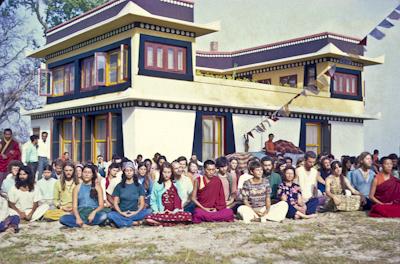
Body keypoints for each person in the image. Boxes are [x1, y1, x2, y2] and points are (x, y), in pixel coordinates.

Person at [107, 162, 151, 228]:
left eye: (131, 170)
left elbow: (142, 203)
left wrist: (135, 212)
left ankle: (122, 222)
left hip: (135, 213)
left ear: (134, 172)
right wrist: (121, 213)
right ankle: (134, 223)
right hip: (122, 213)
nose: (129, 172)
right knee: (110, 215)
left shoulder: (139, 186)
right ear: (124, 172)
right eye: (127, 171)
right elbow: (115, 203)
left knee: (149, 211)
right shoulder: (119, 186)